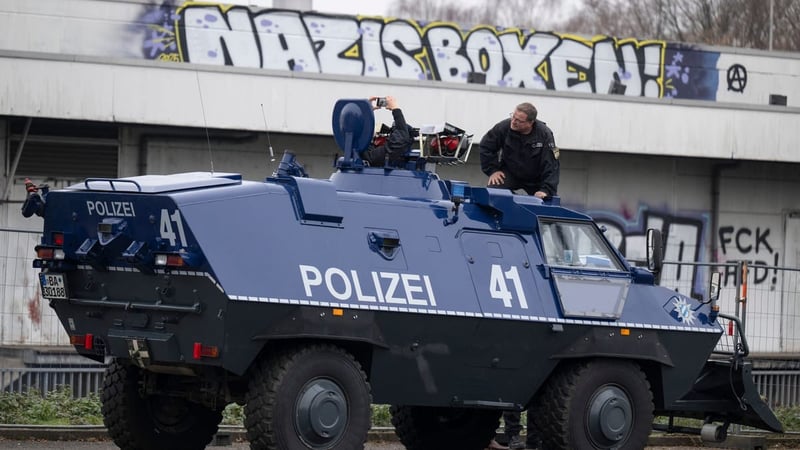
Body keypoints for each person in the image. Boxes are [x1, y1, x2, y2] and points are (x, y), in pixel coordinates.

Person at [479, 102, 559, 199]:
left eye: (519, 121)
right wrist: (493, 170)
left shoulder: (545, 134)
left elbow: (551, 164)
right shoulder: (503, 127)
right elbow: (486, 146)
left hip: (535, 178)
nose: (513, 122)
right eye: (513, 117)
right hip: (510, 172)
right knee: (493, 192)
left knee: (547, 199)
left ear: (530, 123)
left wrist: (546, 190)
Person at [359, 96, 416, 167]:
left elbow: (361, 135)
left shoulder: (364, 150)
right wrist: (395, 108)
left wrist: (366, 112)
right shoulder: (373, 155)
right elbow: (401, 137)